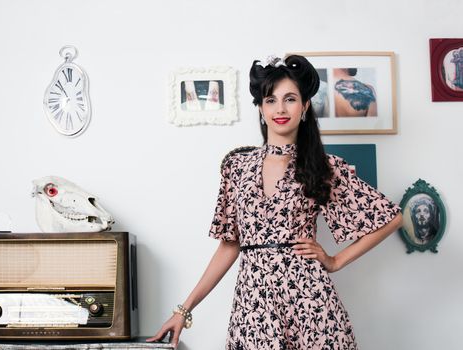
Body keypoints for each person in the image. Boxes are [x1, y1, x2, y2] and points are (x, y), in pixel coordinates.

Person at [148, 54, 403, 350]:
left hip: (311, 304)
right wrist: (184, 310)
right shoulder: (237, 166)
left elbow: (391, 217)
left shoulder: (322, 166)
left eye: (290, 99)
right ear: (260, 107)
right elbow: (230, 244)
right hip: (254, 306)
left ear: (305, 106)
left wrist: (334, 261)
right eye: (270, 100)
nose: (280, 109)